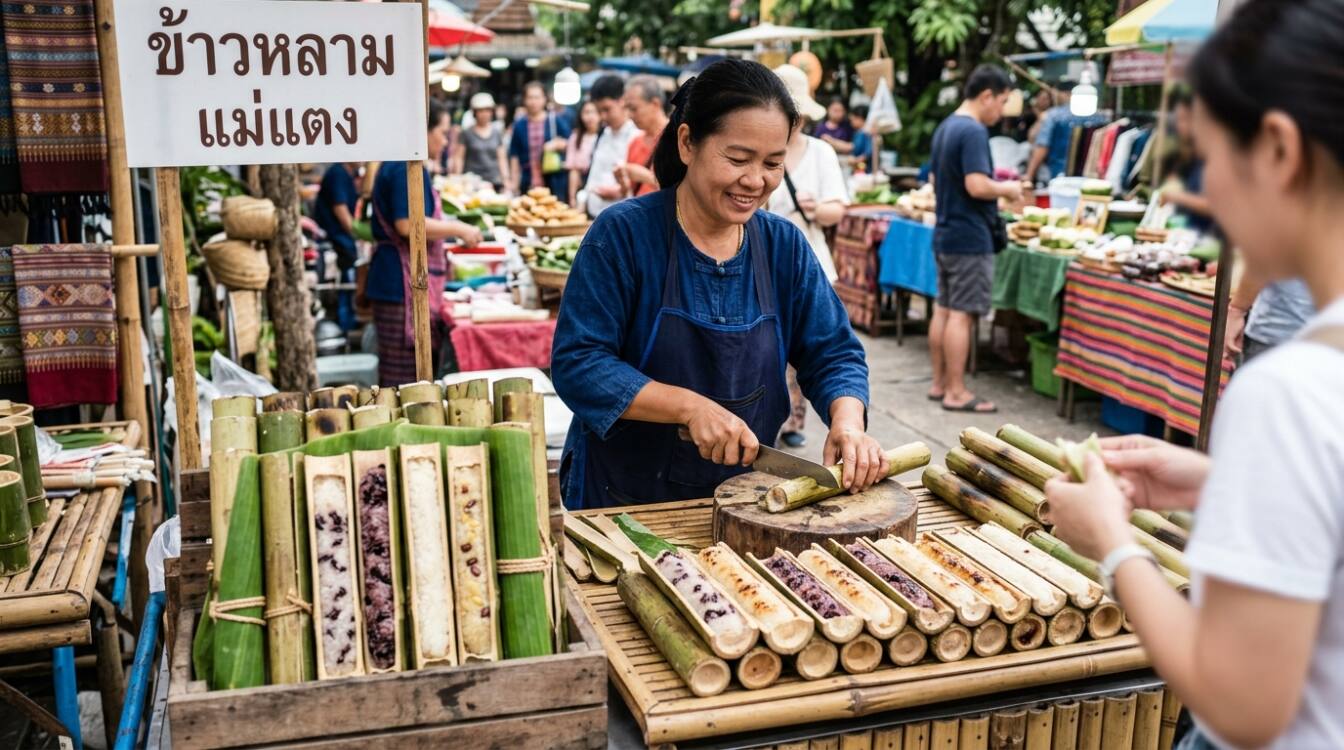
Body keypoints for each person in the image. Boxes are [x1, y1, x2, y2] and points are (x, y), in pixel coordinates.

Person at [1045, 3, 1344, 748]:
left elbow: (1244, 704)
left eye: (1208, 159)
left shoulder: (1289, 390)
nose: (1203, 199)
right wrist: (1225, 480)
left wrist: (1113, 544)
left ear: (1277, 149)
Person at [551, 58, 882, 509]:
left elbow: (834, 352)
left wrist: (848, 422)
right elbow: (580, 362)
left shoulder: (784, 245)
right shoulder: (624, 235)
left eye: (773, 163)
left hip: (748, 502)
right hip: (624, 501)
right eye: (738, 158)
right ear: (687, 142)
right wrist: (689, 407)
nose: (755, 180)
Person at [365, 100, 483, 386]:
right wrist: (458, 228)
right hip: (398, 285)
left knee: (411, 377)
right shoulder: (402, 166)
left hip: (398, 280)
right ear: (423, 132)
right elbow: (407, 224)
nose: (445, 141)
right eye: (442, 133)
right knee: (402, 381)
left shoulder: (409, 163)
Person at [764, 64, 851, 449]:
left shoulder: (821, 153)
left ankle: (795, 420)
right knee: (770, 350)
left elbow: (838, 210)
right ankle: (769, 420)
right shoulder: (759, 149)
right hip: (761, 262)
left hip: (811, 261)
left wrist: (816, 208)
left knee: (807, 350)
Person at [927, 64, 1021, 414]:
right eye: (1003, 101)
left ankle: (939, 384)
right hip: (969, 237)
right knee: (962, 316)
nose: (1002, 110)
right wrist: (1008, 189)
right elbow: (977, 185)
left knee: (945, 309)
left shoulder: (946, 127)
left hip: (946, 232)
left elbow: (937, 181)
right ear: (986, 96)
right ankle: (956, 391)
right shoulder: (973, 131)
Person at [578, 75, 639, 219]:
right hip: (594, 216)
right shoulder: (603, 135)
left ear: (622, 101)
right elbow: (593, 177)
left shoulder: (636, 136)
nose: (603, 116)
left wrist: (621, 191)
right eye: (599, 111)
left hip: (623, 219)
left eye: (607, 109)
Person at [314, 162, 362, 331]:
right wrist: (360, 232)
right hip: (335, 241)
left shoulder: (347, 175)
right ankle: (343, 325)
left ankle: (345, 321)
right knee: (344, 285)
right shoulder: (338, 175)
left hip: (341, 240)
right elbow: (341, 212)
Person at [1158, 91, 1213, 233]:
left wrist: (1177, 196)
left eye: (1184, 119)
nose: (1179, 125)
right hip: (1190, 237)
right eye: (1178, 119)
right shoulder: (1190, 155)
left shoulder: (1214, 157)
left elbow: (1217, 207)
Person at [508, 81, 571, 198]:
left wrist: (557, 144)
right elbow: (514, 155)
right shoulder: (519, 125)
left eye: (537, 97)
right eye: (530, 97)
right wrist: (514, 183)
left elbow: (571, 143)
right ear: (524, 100)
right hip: (528, 180)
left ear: (544, 99)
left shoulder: (555, 120)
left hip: (553, 179)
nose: (533, 102)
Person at [614, 74, 668, 198]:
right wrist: (623, 184)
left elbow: (683, 192)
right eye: (627, 109)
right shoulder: (635, 142)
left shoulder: (677, 140)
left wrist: (646, 177)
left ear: (655, 104)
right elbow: (629, 192)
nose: (629, 115)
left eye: (633, 109)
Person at [453, 92, 508, 191]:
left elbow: (502, 158)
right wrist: (457, 179)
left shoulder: (496, 133)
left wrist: (506, 179)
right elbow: (459, 157)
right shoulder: (466, 133)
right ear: (475, 112)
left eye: (488, 110)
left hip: (494, 182)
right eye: (481, 111)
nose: (484, 114)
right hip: (473, 183)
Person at [1024, 86, 1072, 185]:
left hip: (1056, 173)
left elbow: (1042, 146)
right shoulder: (1096, 116)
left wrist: (1029, 175)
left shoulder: (1053, 115)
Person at [565, 99, 602, 206]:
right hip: (582, 189)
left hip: (600, 187)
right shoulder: (576, 138)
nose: (590, 116)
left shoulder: (606, 136)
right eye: (586, 112)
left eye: (593, 112)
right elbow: (573, 170)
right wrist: (572, 197)